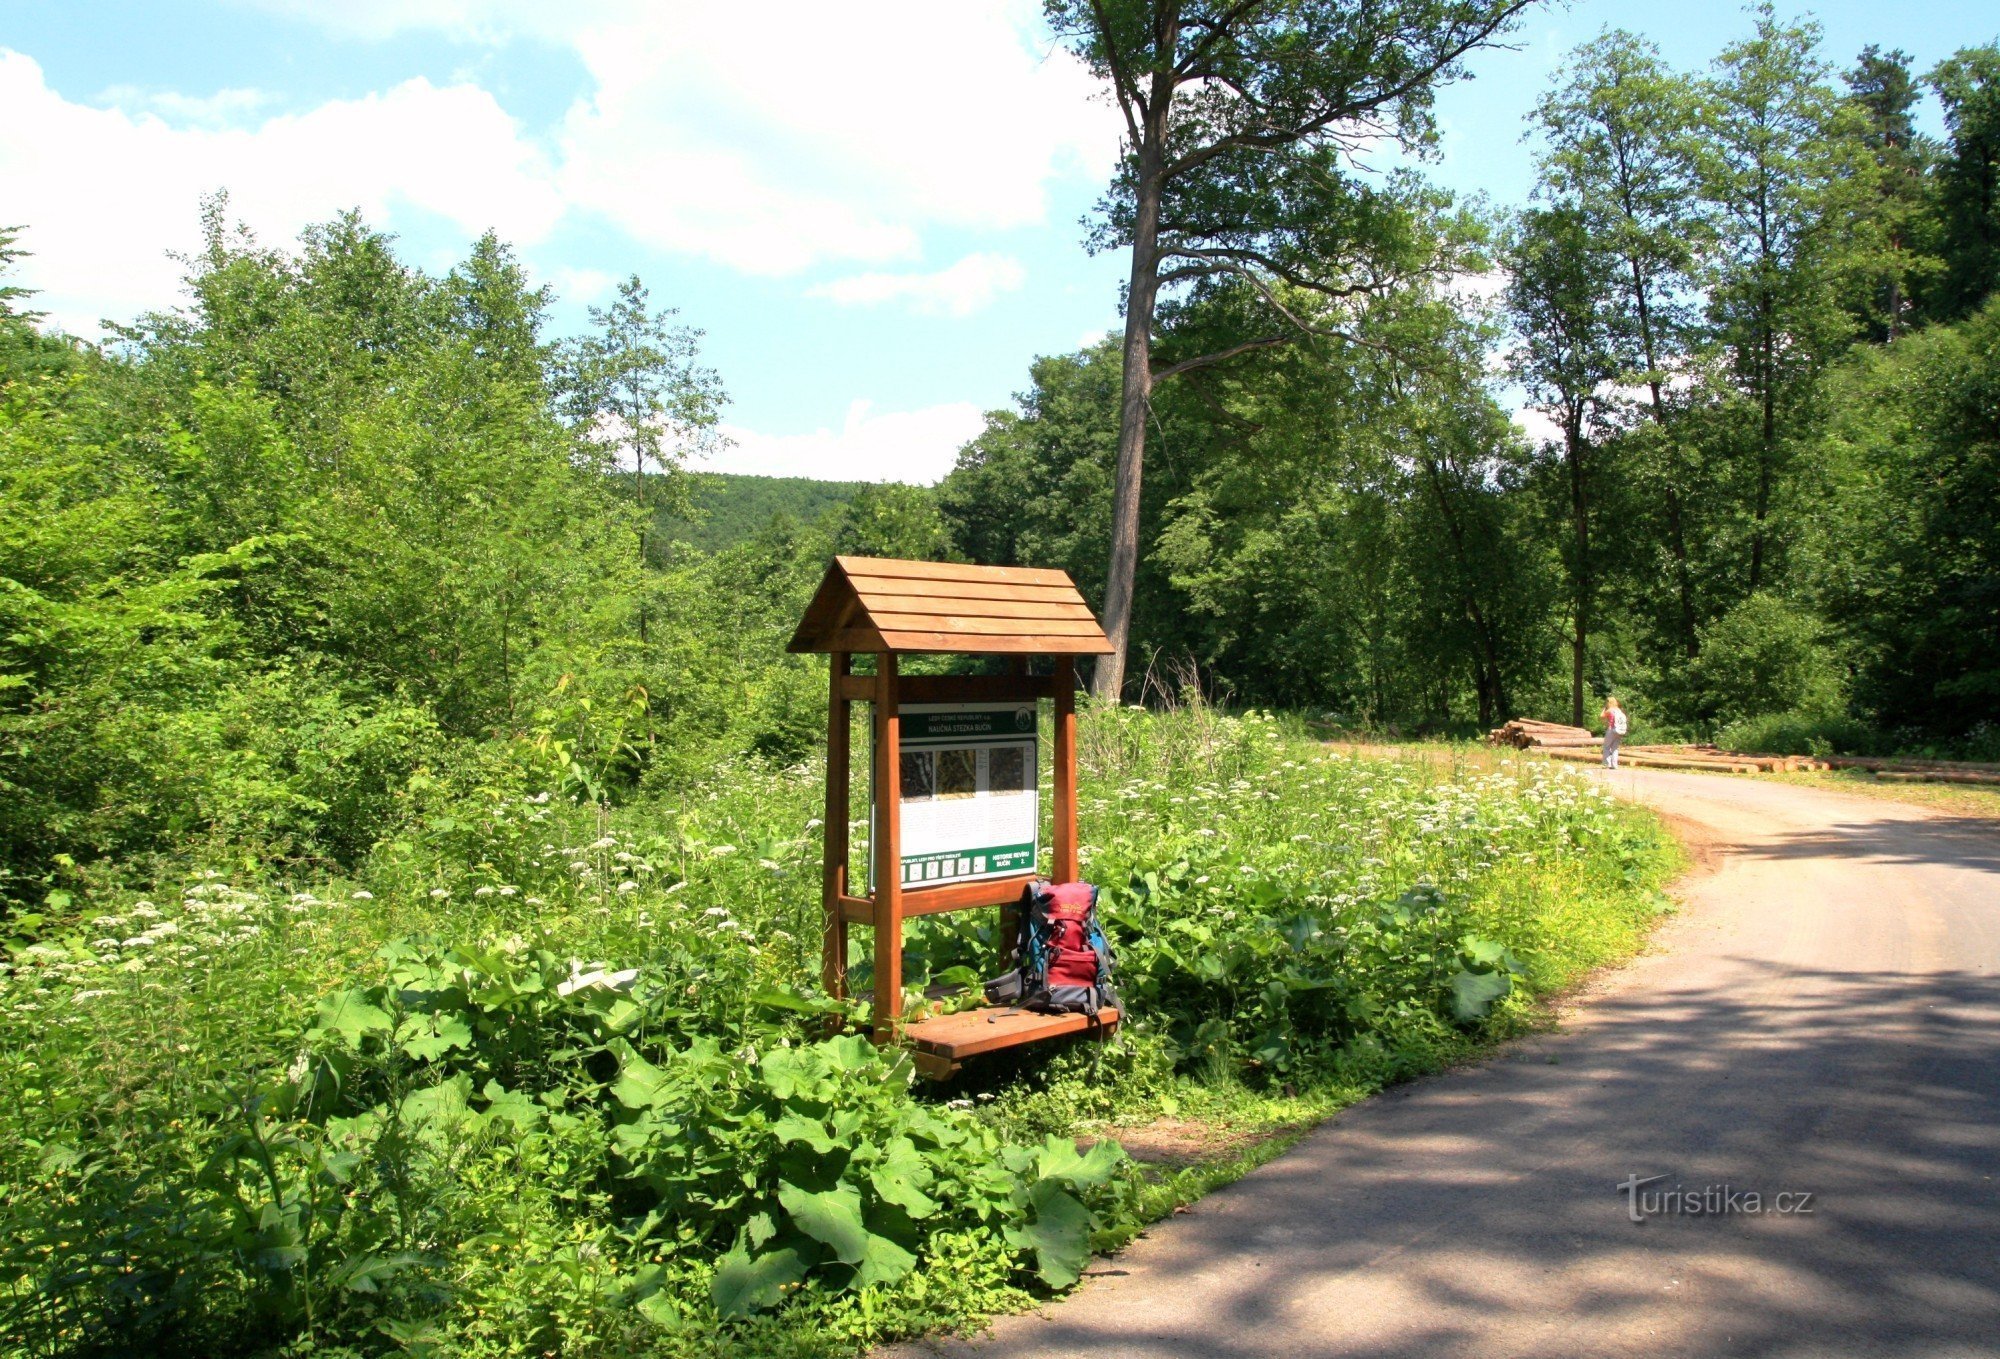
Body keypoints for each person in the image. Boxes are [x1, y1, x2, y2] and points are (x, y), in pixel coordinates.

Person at [1601, 695, 1628, 769]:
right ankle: (1614, 765)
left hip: (1611, 730)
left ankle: (1607, 764)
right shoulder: (1619, 710)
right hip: (1619, 730)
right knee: (1615, 748)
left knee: (1606, 747)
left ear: (1609, 702)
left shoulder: (1610, 710)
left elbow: (1601, 716)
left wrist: (1604, 709)